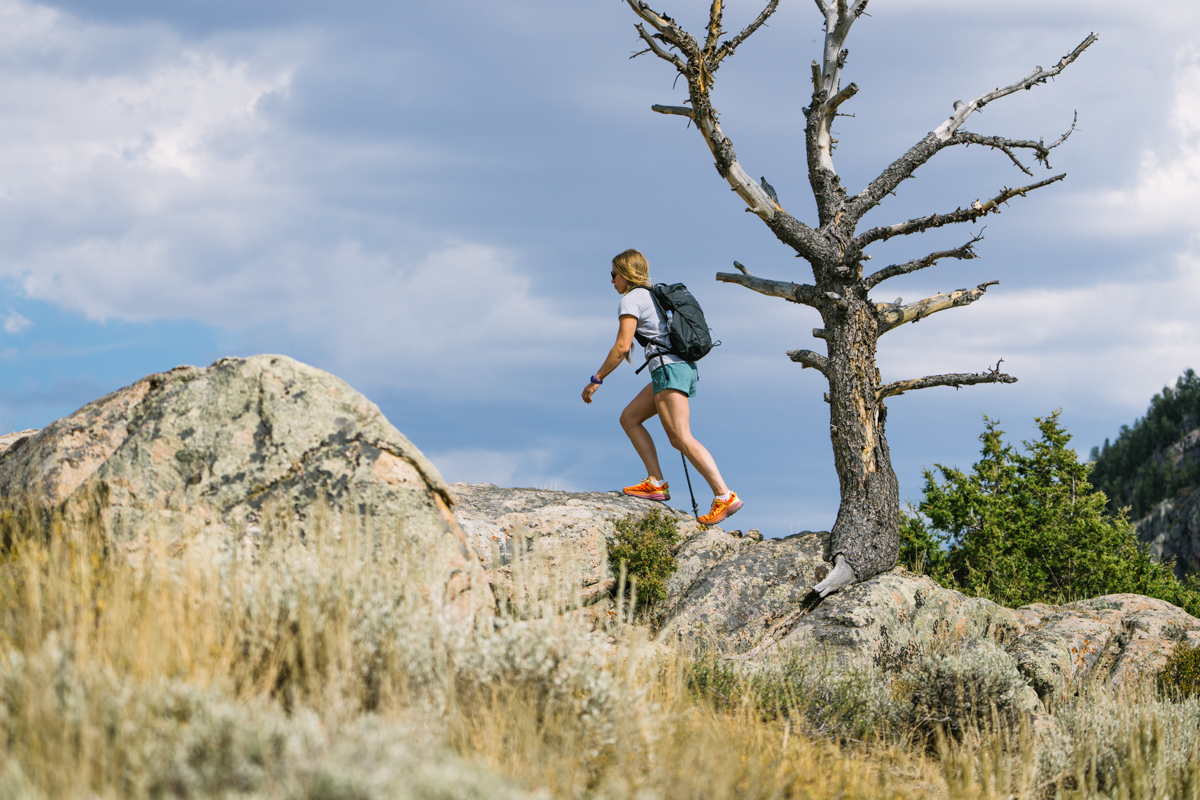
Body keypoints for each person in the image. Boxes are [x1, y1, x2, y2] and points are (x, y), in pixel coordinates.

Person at [581, 248, 742, 526]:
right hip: (677, 368)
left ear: (626, 274)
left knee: (681, 437)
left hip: (669, 369)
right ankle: (656, 482)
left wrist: (597, 379)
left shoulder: (632, 299)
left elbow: (621, 347)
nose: (612, 281)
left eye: (614, 275)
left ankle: (724, 495)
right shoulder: (652, 294)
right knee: (630, 418)